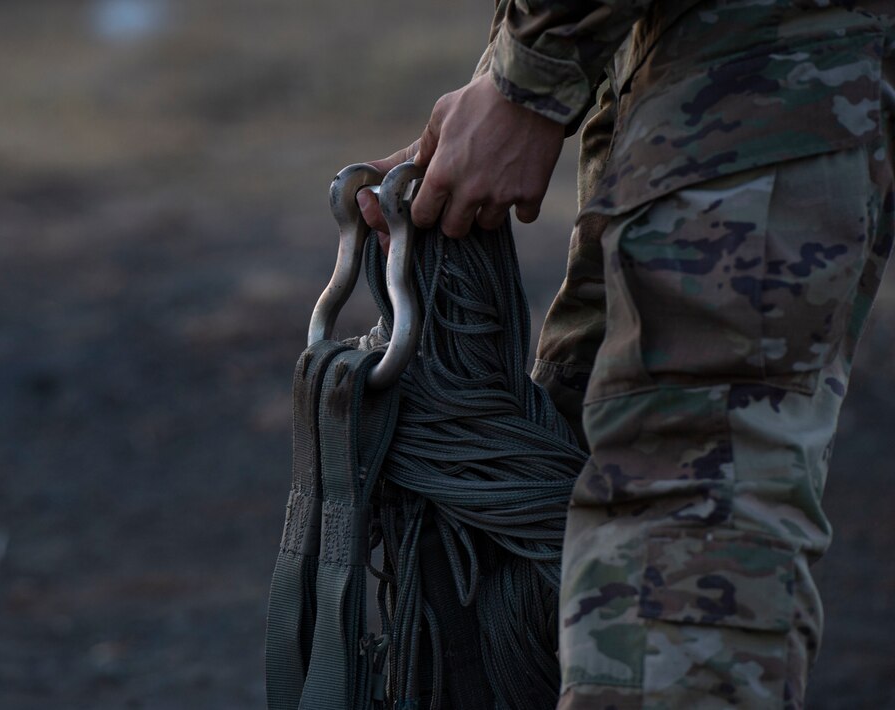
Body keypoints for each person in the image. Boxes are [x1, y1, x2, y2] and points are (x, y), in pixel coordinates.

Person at [356, 1, 894, 707]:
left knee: (682, 512)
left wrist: (527, 81)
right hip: (682, 81)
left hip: (758, 72)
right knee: (581, 472)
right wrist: (505, 83)